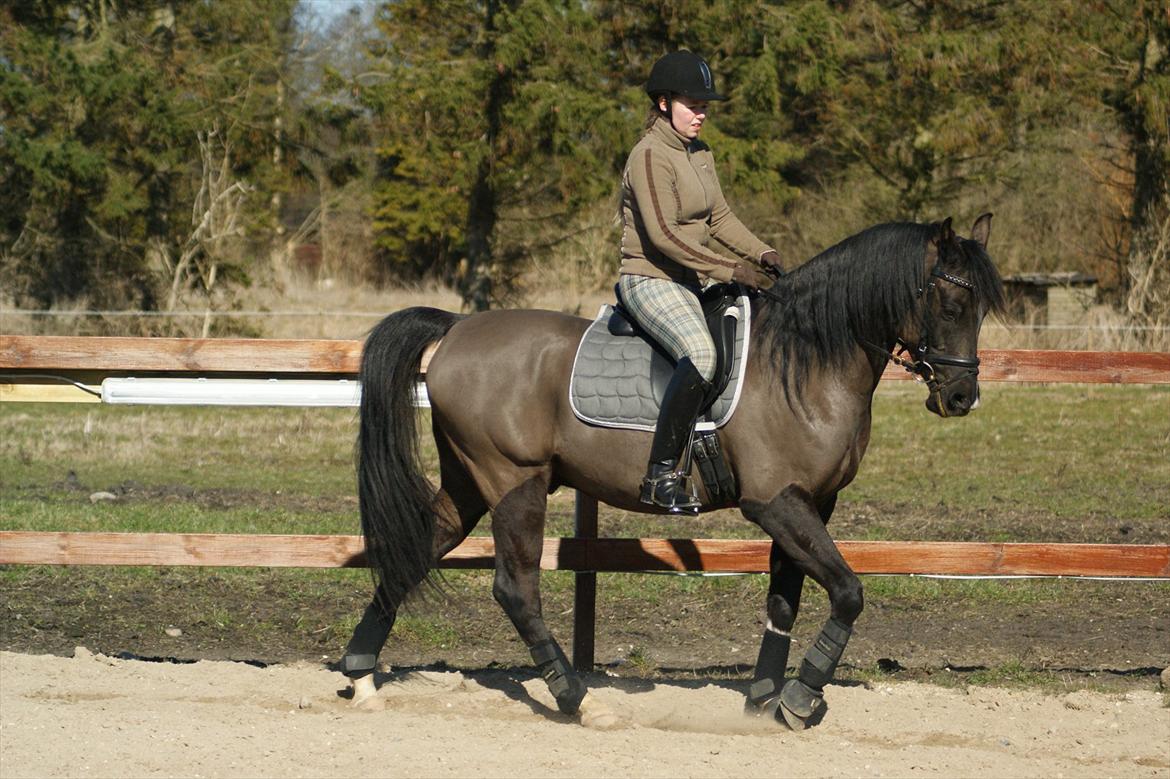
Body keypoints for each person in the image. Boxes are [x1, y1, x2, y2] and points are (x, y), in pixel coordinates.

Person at [618, 50, 784, 514]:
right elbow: (665, 237)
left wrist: (763, 252)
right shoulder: (648, 156)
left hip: (692, 280)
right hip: (649, 278)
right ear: (665, 103)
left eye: (705, 104)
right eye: (694, 103)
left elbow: (720, 217)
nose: (702, 112)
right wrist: (730, 270)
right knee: (703, 353)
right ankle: (660, 474)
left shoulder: (700, 153)